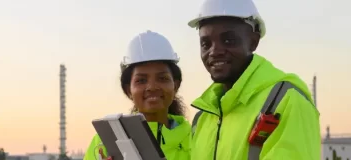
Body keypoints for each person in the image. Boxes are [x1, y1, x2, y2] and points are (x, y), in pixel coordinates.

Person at [186, 0, 321, 159]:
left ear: (253, 42)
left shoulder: (286, 100)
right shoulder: (203, 117)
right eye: (205, 44)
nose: (214, 51)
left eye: (228, 40)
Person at [83, 30, 191, 160]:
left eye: (162, 78)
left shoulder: (196, 137)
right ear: (129, 90)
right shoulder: (105, 141)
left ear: (176, 86)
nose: (152, 87)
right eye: (141, 80)